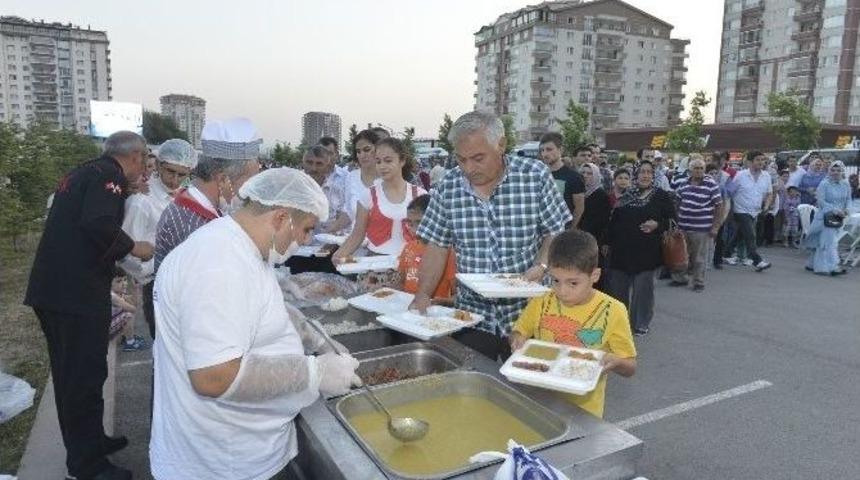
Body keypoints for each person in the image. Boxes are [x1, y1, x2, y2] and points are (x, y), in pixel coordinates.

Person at [150, 168, 361, 480]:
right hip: (223, 463)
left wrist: (305, 330)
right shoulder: (218, 262)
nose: (304, 241)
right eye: (305, 230)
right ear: (279, 218)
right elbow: (214, 376)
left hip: (248, 448)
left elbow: (246, 310)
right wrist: (315, 373)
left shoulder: (240, 245)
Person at [25, 131, 153, 480]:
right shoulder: (109, 175)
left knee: (86, 373)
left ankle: (92, 441)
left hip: (61, 290)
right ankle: (87, 466)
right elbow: (97, 222)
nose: (144, 169)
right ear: (135, 156)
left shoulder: (88, 172)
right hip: (73, 295)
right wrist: (134, 247)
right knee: (79, 379)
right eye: (144, 160)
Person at [410, 111, 571, 360]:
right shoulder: (448, 186)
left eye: (478, 158)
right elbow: (437, 247)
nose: (469, 169)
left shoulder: (534, 175)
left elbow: (555, 231)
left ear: (502, 145)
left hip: (528, 314)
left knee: (526, 393)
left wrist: (541, 265)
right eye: (461, 159)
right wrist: (422, 295)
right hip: (472, 318)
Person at [151, 118, 261, 337]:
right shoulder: (193, 225)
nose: (249, 192)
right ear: (222, 179)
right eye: (248, 183)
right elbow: (210, 308)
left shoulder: (198, 206)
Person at [509, 230, 636, 418]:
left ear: (595, 275)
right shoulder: (541, 301)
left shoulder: (613, 310)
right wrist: (517, 340)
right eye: (556, 281)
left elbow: (630, 367)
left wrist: (616, 362)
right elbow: (518, 332)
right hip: (540, 400)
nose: (562, 291)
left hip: (584, 410)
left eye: (573, 283)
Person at [119, 139, 197, 340]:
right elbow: (125, 253)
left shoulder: (185, 196)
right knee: (164, 348)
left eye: (182, 174)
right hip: (157, 285)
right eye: (170, 172)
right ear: (159, 165)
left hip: (187, 282)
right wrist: (156, 267)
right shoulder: (141, 201)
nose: (175, 179)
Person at [605, 161, 675, 336]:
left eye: (649, 172)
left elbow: (673, 222)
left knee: (643, 291)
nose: (645, 175)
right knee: (619, 291)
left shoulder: (661, 196)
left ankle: (640, 323)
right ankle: (620, 323)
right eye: (642, 172)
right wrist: (606, 242)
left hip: (647, 252)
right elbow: (613, 221)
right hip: (621, 251)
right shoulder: (627, 195)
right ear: (636, 175)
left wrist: (657, 224)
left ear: (653, 175)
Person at [334, 138, 425, 259]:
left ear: (402, 161)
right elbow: (357, 234)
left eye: (388, 161)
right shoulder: (368, 195)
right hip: (376, 263)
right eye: (378, 161)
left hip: (411, 262)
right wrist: (339, 255)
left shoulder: (420, 195)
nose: (382, 166)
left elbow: (430, 236)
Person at [669, 158, 723, 292]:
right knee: (682, 255)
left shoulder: (711, 184)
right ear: (690, 170)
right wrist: (676, 223)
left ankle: (698, 282)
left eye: (701, 168)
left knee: (699, 257)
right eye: (696, 168)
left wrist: (715, 227)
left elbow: (719, 206)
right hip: (683, 226)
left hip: (701, 228)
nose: (698, 171)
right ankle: (680, 278)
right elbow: (677, 202)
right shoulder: (684, 184)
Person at [398, 194, 457, 303]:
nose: (414, 229)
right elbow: (401, 283)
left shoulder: (447, 252)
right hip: (408, 311)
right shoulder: (408, 248)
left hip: (434, 314)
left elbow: (456, 295)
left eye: (419, 222)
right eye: (410, 223)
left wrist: (443, 302)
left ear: (434, 221)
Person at [723, 151, 774, 272]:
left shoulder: (766, 175)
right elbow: (730, 192)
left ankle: (726, 253)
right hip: (740, 210)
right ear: (750, 162)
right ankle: (757, 260)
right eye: (758, 160)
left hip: (755, 210)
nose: (761, 162)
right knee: (751, 235)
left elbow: (769, 193)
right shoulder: (741, 175)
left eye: (762, 160)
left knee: (741, 234)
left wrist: (766, 206)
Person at [803, 161, 851, 275]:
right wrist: (834, 210)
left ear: (842, 171)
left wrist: (846, 210)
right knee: (828, 242)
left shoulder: (845, 184)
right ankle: (829, 267)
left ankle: (811, 264)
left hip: (839, 218)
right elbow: (821, 201)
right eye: (833, 170)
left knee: (825, 241)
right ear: (829, 171)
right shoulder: (824, 184)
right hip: (825, 217)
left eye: (838, 170)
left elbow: (849, 199)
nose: (835, 173)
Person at [540, 132, 585, 227]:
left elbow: (579, 207)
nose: (545, 154)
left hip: (563, 230)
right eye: (542, 150)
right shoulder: (539, 175)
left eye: (549, 149)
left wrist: (570, 229)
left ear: (560, 150)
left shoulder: (574, 177)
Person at [302, 145, 350, 234]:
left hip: (331, 240)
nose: (313, 168)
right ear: (303, 163)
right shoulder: (294, 185)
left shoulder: (339, 188)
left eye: (319, 164)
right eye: (309, 162)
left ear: (328, 167)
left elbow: (345, 217)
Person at [344, 129, 380, 223]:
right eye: (358, 151)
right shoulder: (351, 177)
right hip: (356, 235)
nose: (362, 155)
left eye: (367, 150)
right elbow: (348, 212)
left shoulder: (389, 177)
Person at [578, 162, 611, 244]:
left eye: (589, 173)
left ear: (596, 176)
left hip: (593, 238)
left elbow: (603, 220)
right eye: (583, 172)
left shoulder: (601, 195)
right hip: (576, 235)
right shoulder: (577, 192)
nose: (585, 175)